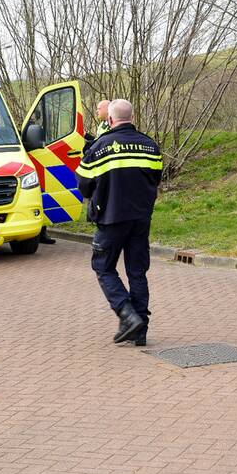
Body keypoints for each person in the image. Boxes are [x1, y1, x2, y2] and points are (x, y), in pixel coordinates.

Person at [75, 99, 163, 346]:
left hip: (111, 219)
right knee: (137, 272)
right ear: (132, 117)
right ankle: (141, 331)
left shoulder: (100, 147)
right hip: (140, 219)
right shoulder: (150, 146)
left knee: (103, 267)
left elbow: (83, 184)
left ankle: (127, 314)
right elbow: (156, 178)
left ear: (110, 120)